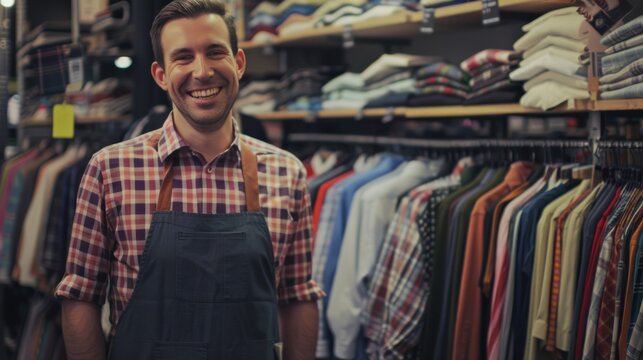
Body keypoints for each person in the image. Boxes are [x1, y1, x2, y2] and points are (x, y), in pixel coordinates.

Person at [54, 1, 324, 359]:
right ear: (161, 75)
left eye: (215, 52)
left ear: (238, 63)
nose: (202, 71)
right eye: (182, 57)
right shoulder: (109, 170)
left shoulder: (287, 173)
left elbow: (298, 297)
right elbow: (81, 296)